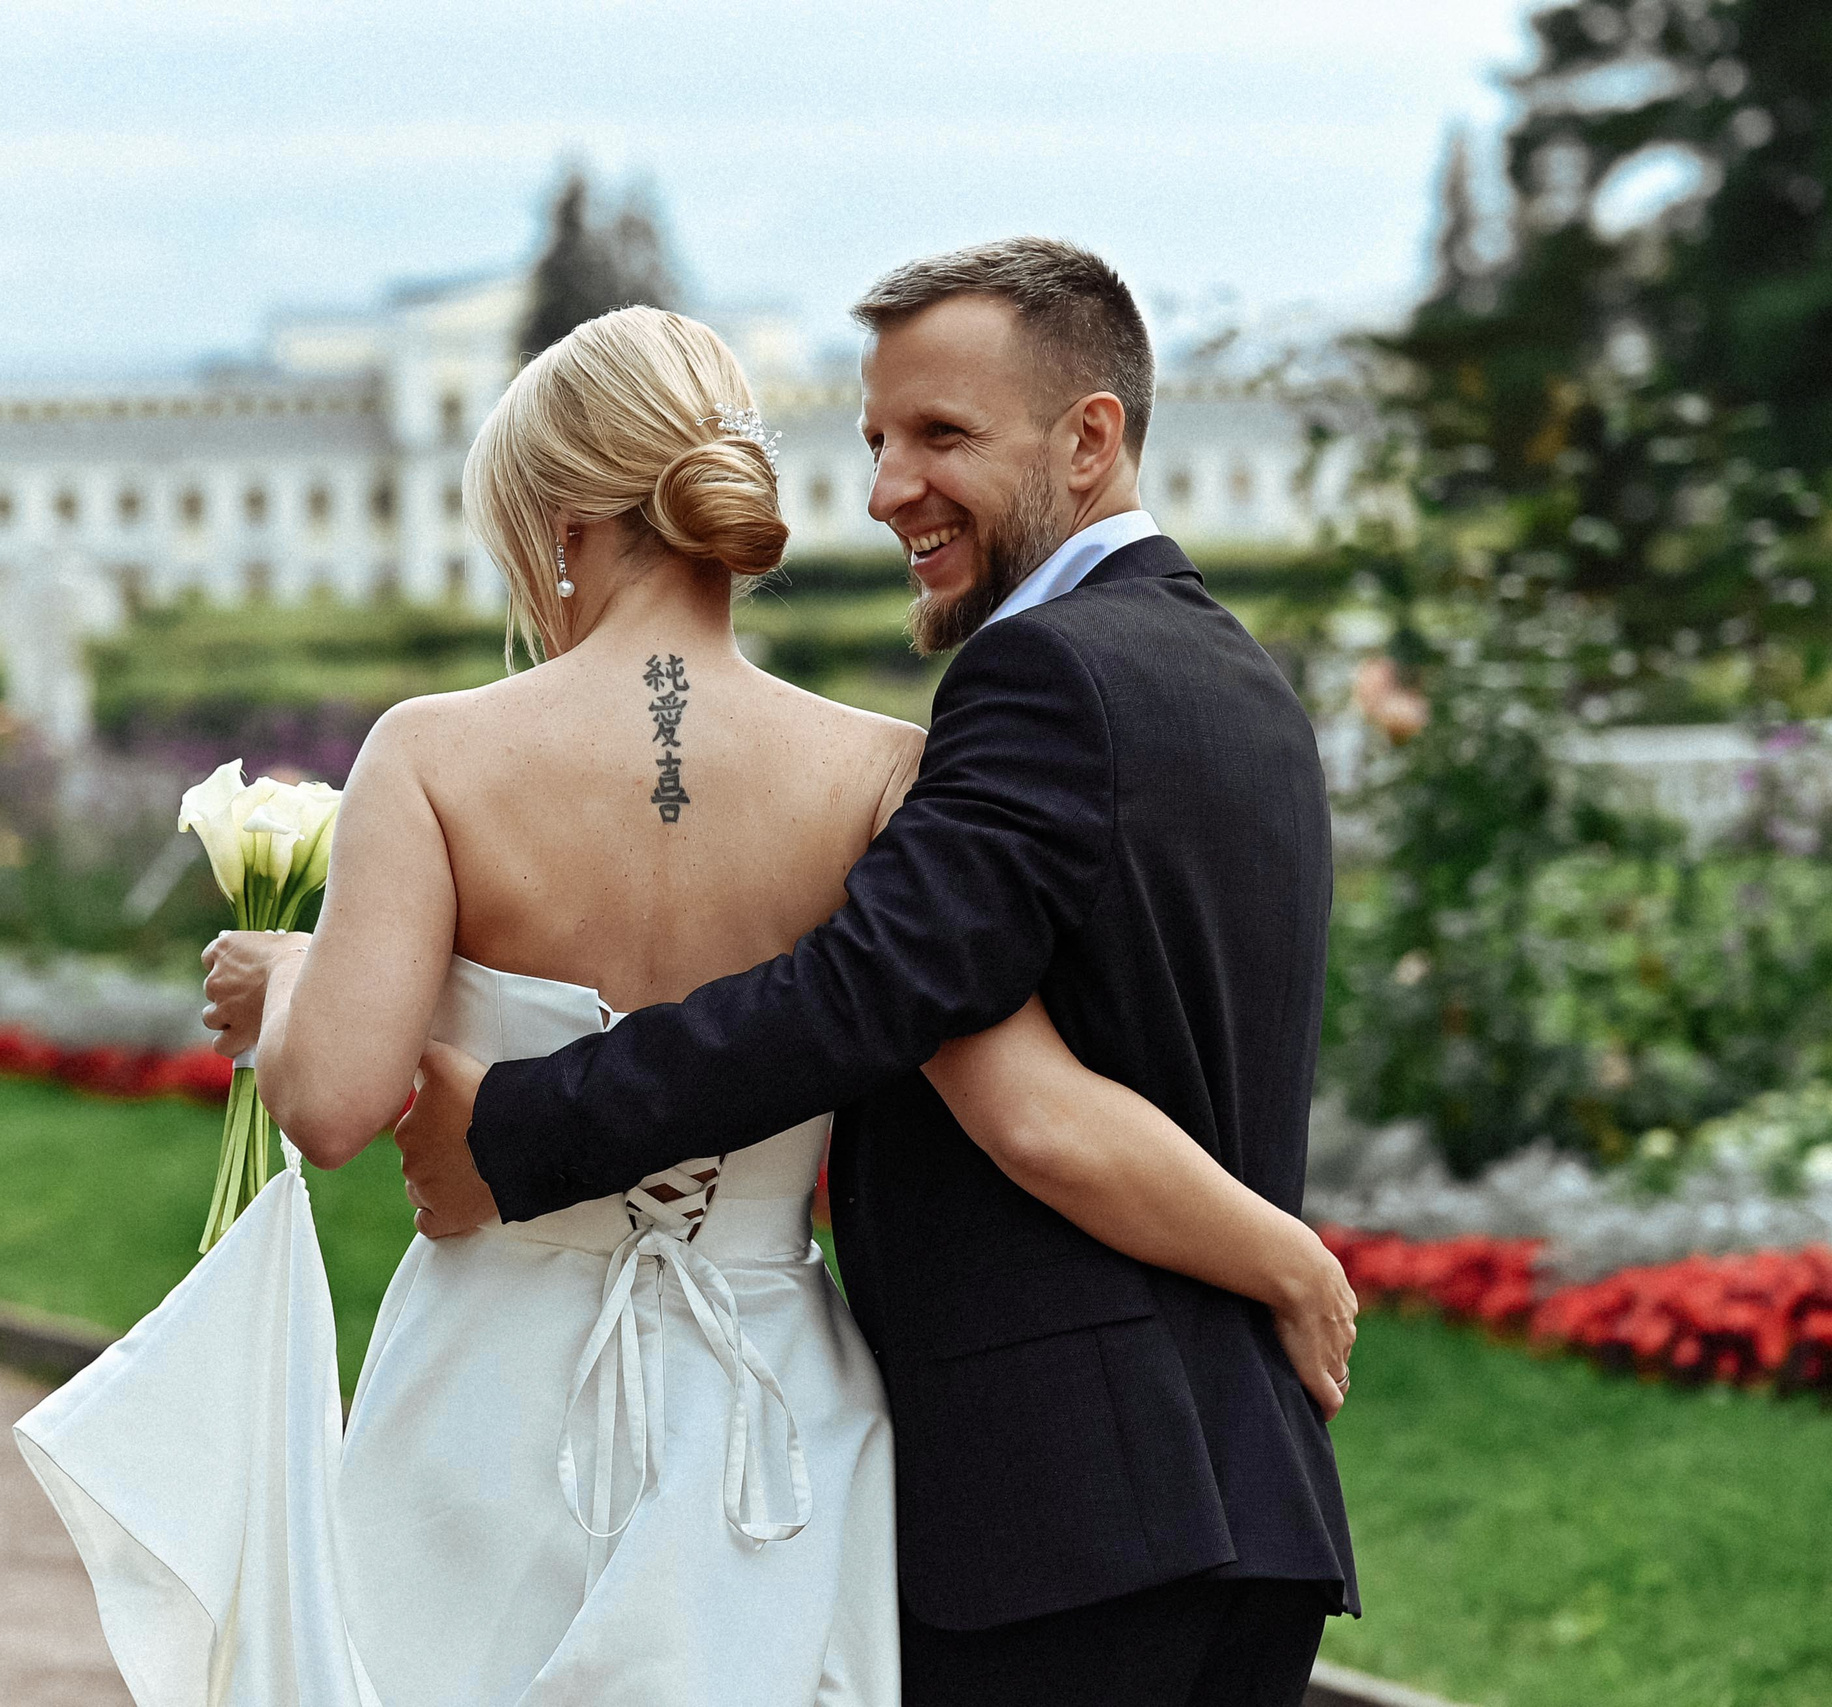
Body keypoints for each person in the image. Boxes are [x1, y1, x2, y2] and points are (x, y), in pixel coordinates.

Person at [194, 293, 1357, 1706]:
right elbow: (1025, 1106)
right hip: (771, 1422)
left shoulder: (434, 753)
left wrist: (305, 971)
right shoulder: (876, 769)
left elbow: (326, 1104)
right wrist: (1278, 1252)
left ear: (557, 525)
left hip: (489, 1395)